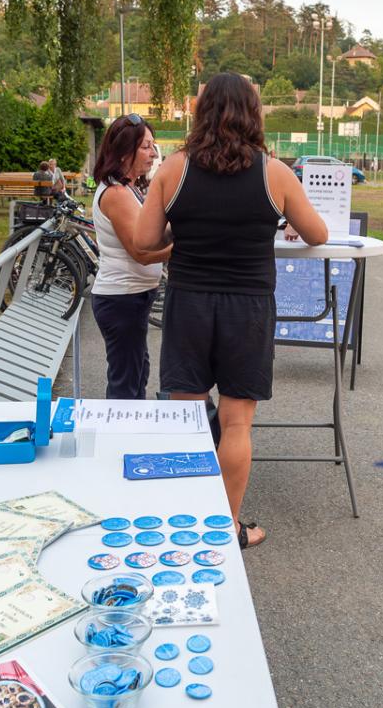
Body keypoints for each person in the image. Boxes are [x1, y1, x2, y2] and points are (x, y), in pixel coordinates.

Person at [135, 72, 328, 549]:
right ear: (253, 114)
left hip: (189, 302)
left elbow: (144, 240)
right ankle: (228, 527)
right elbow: (318, 233)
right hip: (249, 307)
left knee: (186, 420)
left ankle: (183, 523)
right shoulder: (274, 173)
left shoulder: (173, 169)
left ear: (202, 114)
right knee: (237, 423)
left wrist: (185, 227)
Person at [89, 114, 168, 399]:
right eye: (146, 146)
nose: (153, 153)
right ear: (124, 152)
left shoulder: (128, 188)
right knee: (126, 385)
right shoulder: (117, 194)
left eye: (153, 145)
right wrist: (186, 248)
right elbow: (141, 253)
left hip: (131, 297)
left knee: (137, 373)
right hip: (122, 298)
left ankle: (128, 425)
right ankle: (119, 428)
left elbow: (155, 233)